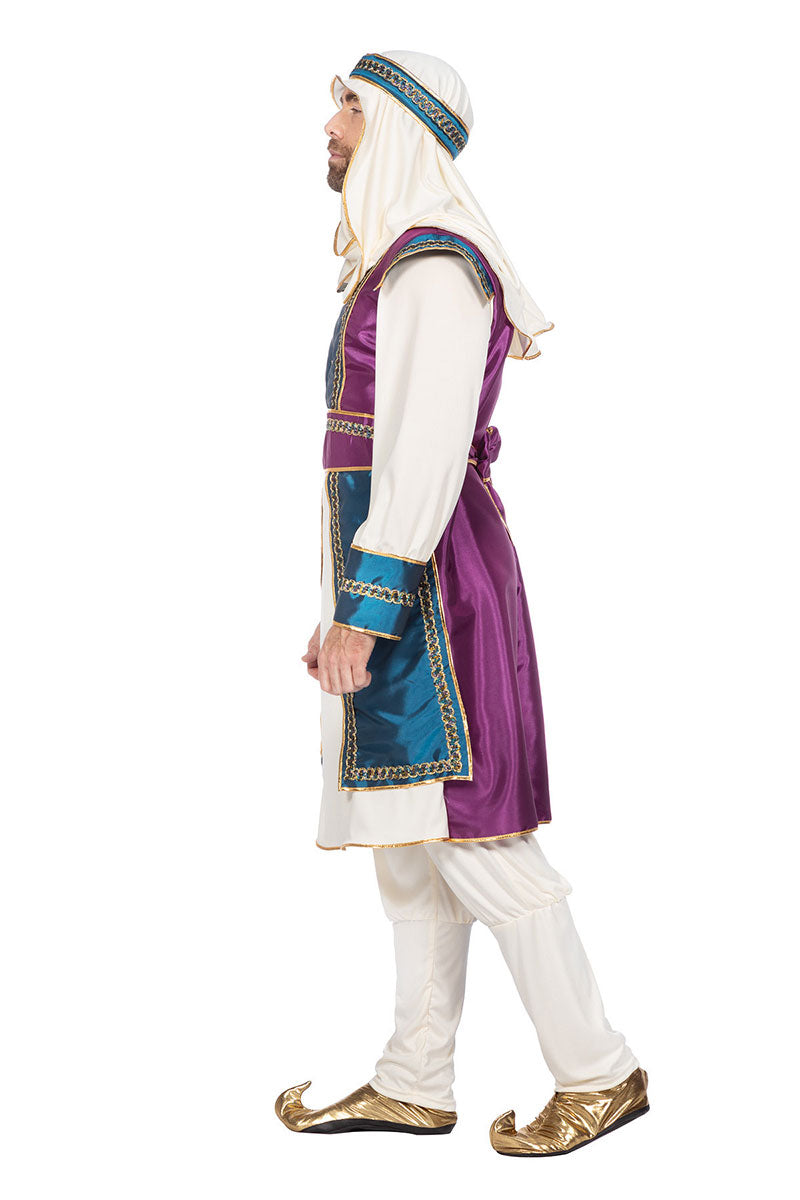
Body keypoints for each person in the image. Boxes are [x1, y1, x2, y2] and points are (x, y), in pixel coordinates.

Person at [275, 50, 649, 1157]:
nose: (330, 126)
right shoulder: (396, 262)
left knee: (478, 840)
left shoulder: (436, 266)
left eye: (348, 107)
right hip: (406, 582)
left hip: (438, 596)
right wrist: (345, 602)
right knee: (410, 845)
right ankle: (413, 1079)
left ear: (395, 125)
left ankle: (599, 1071)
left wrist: (370, 605)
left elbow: (425, 454)